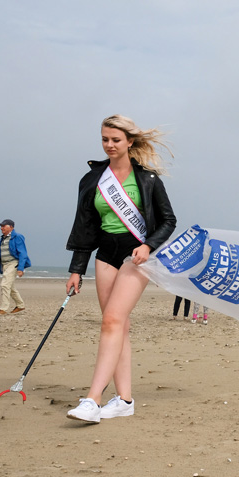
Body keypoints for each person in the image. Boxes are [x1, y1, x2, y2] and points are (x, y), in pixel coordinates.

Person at [65, 114, 176, 423]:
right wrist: (77, 269)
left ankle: (92, 399)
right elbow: (85, 227)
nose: (109, 145)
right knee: (118, 327)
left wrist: (148, 245)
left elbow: (169, 220)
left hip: (136, 257)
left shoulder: (148, 179)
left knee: (111, 321)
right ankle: (124, 399)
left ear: (129, 141)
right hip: (105, 256)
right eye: (105, 139)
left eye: (115, 139)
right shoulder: (92, 179)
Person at [0, 219, 31, 315]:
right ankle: (20, 305)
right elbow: (6, 253)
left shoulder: (17, 237)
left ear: (11, 227)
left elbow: (23, 253)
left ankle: (3, 308)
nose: (1, 228)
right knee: (10, 287)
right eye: (1, 226)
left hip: (13, 263)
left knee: (4, 285)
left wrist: (21, 268)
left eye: (4, 226)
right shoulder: (3, 239)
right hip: (5, 264)